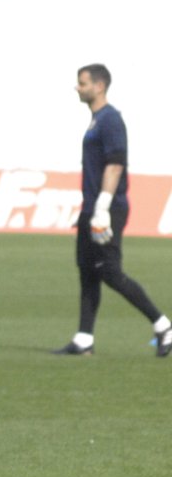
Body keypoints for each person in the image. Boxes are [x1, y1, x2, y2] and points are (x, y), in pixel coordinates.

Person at [52, 63, 172, 357]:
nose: (77, 88)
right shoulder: (96, 121)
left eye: (82, 83)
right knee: (87, 271)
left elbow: (115, 164)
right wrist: (88, 210)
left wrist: (103, 207)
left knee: (109, 271)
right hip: (91, 208)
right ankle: (84, 339)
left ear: (99, 86)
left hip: (108, 208)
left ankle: (163, 324)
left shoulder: (110, 120)